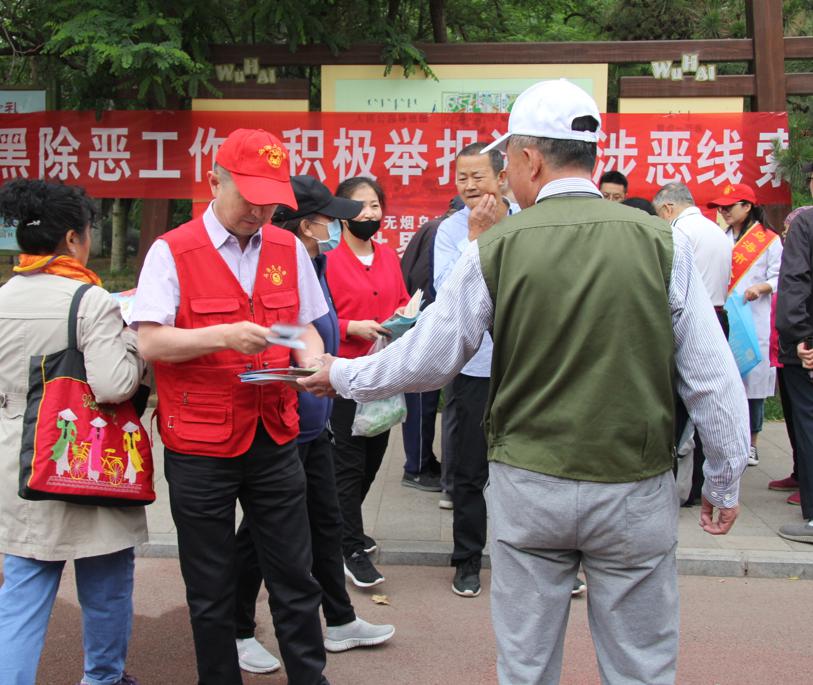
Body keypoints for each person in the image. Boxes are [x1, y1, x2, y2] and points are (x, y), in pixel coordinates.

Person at [300, 78, 749, 684]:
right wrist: (723, 478)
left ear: (531, 159)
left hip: (530, 486)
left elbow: (429, 358)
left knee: (526, 666)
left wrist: (341, 374)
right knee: (642, 667)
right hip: (634, 487)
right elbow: (712, 378)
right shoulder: (662, 242)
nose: (503, 174)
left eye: (507, 158)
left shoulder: (495, 248)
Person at [132, 129, 331, 685]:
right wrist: (222, 335)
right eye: (249, 197)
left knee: (295, 576)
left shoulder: (286, 247)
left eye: (271, 201)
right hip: (199, 443)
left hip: (274, 435)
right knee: (211, 586)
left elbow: (300, 327)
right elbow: (151, 342)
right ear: (214, 182)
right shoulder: (172, 251)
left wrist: (312, 360)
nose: (260, 211)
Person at [232, 175, 394, 673]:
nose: (337, 226)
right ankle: (237, 629)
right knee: (261, 534)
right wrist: (307, 351)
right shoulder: (270, 267)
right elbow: (270, 329)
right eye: (328, 218)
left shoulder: (313, 261)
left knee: (327, 523)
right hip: (283, 423)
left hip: (316, 419)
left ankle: (340, 620)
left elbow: (315, 327)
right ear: (305, 224)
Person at [0, 179, 146, 685]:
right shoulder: (91, 301)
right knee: (105, 584)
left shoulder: (3, 296)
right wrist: (135, 342)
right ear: (71, 239)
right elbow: (113, 385)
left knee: (22, 592)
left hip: (18, 464)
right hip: (85, 458)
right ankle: (102, 677)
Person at [433, 142, 520, 598]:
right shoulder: (450, 230)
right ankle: (467, 559)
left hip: (526, 367)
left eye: (477, 176)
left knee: (530, 469)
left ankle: (545, 558)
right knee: (469, 470)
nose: (468, 185)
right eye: (461, 177)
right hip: (474, 368)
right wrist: (474, 237)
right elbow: (445, 292)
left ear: (502, 178)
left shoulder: (528, 221)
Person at [325, 176, 410, 588]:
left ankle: (339, 527)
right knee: (348, 464)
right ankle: (349, 547)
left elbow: (401, 300)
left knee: (373, 460)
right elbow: (318, 317)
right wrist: (349, 327)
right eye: (360, 206)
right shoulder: (327, 261)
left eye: (375, 205)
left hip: (383, 374)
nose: (369, 213)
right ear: (341, 213)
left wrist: (406, 316)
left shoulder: (388, 256)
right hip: (343, 376)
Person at [654, 182, 733, 504]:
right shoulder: (718, 232)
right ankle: (700, 483)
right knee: (708, 401)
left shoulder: (679, 233)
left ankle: (674, 483)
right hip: (719, 317)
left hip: (690, 320)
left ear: (668, 208)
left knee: (678, 407)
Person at [708, 183, 783, 467]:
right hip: (725, 316)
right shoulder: (720, 237)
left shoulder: (768, 240)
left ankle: (752, 443)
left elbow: (781, 275)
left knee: (753, 386)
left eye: (729, 206)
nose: (724, 211)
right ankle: (728, 440)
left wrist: (762, 287)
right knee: (725, 382)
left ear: (747, 206)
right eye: (721, 207)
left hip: (754, 318)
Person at [400, 196, 465, 509]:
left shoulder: (434, 227)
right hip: (427, 324)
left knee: (424, 400)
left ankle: (423, 462)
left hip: (422, 320)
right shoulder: (442, 231)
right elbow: (428, 282)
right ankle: (417, 467)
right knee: (422, 401)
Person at [776, 162, 813, 543]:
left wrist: (801, 337)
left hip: (809, 346)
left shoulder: (806, 223)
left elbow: (795, 282)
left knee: (809, 422)